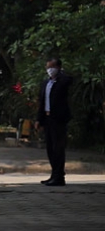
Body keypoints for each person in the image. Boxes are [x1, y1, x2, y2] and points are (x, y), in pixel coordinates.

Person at [36, 58, 72, 186]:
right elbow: (42, 102)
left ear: (58, 68)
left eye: (52, 67)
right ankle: (53, 174)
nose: (49, 70)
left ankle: (59, 176)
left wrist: (61, 74)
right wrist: (39, 120)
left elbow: (68, 80)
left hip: (59, 119)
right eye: (47, 67)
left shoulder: (62, 81)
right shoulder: (46, 83)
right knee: (50, 148)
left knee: (58, 148)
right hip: (47, 118)